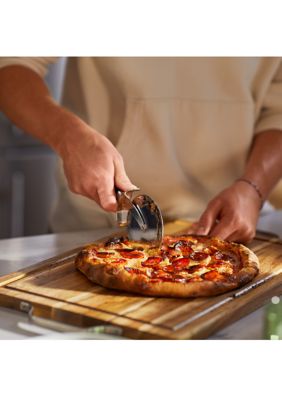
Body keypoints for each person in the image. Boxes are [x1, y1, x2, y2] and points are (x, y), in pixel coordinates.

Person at [0, 57, 281, 243]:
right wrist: (69, 135)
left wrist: (253, 188)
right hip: (92, 228)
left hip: (227, 229)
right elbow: (11, 65)